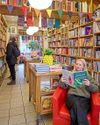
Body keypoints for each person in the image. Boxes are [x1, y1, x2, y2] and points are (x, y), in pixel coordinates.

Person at [60, 59, 99, 125]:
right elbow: (64, 86)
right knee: (77, 105)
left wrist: (89, 84)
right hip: (71, 97)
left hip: (84, 99)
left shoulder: (87, 76)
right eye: (76, 64)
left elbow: (96, 88)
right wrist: (62, 81)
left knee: (77, 106)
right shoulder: (70, 74)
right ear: (74, 65)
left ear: (83, 67)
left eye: (80, 65)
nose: (77, 66)